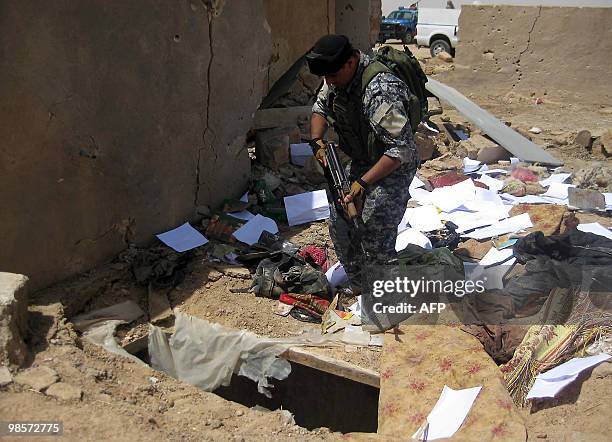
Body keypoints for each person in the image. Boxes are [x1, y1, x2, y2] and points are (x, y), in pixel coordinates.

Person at [306, 34, 419, 296]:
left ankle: (390, 295)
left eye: (332, 76)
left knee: (374, 227)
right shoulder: (334, 78)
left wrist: (363, 183)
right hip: (363, 160)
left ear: (350, 63)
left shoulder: (381, 92)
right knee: (340, 221)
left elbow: (401, 148)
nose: (329, 82)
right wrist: (316, 141)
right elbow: (320, 108)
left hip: (393, 164)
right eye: (326, 78)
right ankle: (360, 285)